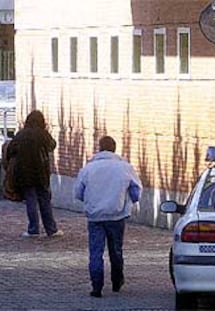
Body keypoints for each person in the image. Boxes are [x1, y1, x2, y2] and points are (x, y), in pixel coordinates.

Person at [74, 136, 142, 298]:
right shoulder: (124, 167)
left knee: (95, 252)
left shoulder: (89, 168)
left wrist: (92, 202)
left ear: (99, 148)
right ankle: (117, 281)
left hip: (95, 216)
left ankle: (96, 286)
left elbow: (78, 192)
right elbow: (136, 191)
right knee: (116, 250)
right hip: (117, 214)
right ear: (114, 148)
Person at [7, 110, 63, 238]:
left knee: (31, 201)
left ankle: (33, 229)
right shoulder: (42, 134)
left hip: (24, 174)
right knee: (45, 201)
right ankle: (51, 229)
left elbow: (10, 151)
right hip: (41, 173)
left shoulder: (20, 135)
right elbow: (52, 145)